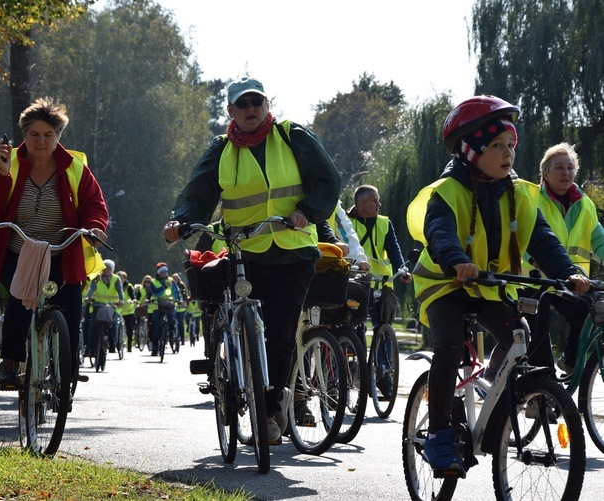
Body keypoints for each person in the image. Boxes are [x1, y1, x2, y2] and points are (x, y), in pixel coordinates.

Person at [406, 95, 589, 476]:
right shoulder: (447, 191)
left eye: (511, 145)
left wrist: (570, 272)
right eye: (496, 146)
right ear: (470, 150)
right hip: (443, 284)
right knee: (450, 343)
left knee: (518, 333)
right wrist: (455, 259)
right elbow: (437, 230)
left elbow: (542, 239)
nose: (508, 154)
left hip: (488, 287)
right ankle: (439, 432)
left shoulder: (518, 192)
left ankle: (490, 386)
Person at [162, 76, 341, 444]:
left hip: (293, 251)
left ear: (267, 105)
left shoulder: (293, 136)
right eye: (242, 104)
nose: (250, 110)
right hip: (246, 250)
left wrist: (308, 211)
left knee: (279, 332)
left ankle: (272, 405)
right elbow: (199, 192)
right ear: (230, 110)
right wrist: (180, 221)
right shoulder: (222, 149)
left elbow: (328, 180)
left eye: (256, 102)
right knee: (242, 320)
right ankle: (231, 373)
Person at [0, 97, 109, 387]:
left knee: (70, 306)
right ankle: (10, 363)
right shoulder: (7, 163)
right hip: (16, 253)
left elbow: (94, 206)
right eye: (34, 135)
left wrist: (95, 228)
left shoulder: (75, 168)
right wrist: (2, 174)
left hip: (61, 253)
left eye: (48, 135)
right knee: (22, 297)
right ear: (24, 135)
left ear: (58, 136)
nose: (41, 142)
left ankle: (66, 373)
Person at [525, 142, 604, 374]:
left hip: (570, 279)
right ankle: (539, 391)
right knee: (537, 328)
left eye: (570, 168)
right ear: (545, 173)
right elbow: (516, 237)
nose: (566, 173)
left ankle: (570, 364)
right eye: (559, 167)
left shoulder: (585, 204)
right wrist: (533, 258)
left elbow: (599, 240)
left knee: (586, 311)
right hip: (533, 277)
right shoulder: (530, 199)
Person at [348, 185, 411, 331]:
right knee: (354, 325)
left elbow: (394, 250)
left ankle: (386, 354)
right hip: (355, 282)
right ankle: (355, 351)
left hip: (382, 283)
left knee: (384, 327)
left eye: (378, 200)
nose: (379, 205)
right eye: (374, 201)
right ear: (361, 204)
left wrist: (402, 270)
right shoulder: (346, 223)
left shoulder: (384, 223)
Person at [86, 259, 123, 353]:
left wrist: (121, 300)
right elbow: (92, 289)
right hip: (98, 305)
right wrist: (88, 297)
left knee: (113, 326)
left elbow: (120, 291)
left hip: (112, 306)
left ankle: (112, 345)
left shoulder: (116, 279)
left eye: (109, 268)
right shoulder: (97, 277)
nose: (106, 270)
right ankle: (91, 348)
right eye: (105, 268)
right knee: (94, 326)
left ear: (112, 269)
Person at [148, 262, 181, 355]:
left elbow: (176, 293)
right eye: (162, 271)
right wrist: (164, 286)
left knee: (172, 320)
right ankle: (155, 348)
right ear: (158, 272)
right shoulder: (154, 282)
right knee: (156, 327)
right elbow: (155, 293)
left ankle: (172, 334)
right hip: (157, 305)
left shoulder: (171, 281)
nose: (164, 273)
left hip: (170, 304)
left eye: (166, 271)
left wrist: (179, 300)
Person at [117, 271, 137, 352]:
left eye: (122, 278)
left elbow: (132, 297)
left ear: (125, 279)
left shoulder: (129, 286)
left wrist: (134, 301)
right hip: (118, 309)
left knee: (129, 329)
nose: (120, 280)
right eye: (119, 278)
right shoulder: (115, 285)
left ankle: (129, 346)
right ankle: (116, 344)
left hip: (128, 310)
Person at [172, 273, 188, 345]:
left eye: (176, 279)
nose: (175, 280)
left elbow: (184, 295)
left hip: (181, 307)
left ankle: (182, 338)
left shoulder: (181, 286)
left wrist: (184, 302)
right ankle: (173, 337)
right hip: (173, 306)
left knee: (180, 323)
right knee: (173, 322)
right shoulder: (171, 286)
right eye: (173, 279)